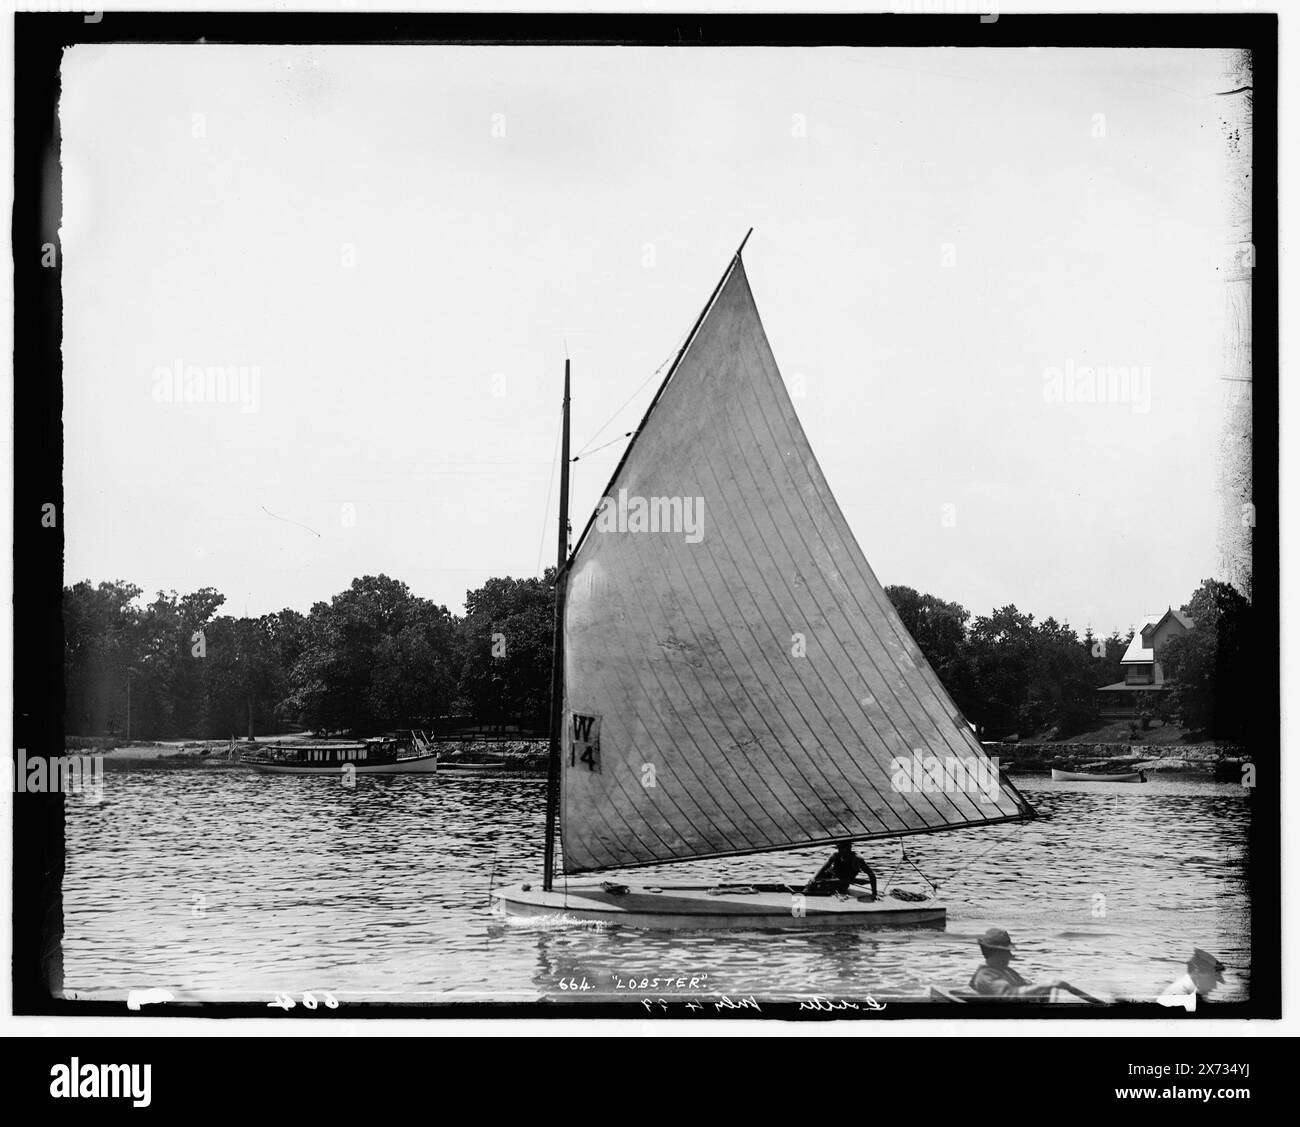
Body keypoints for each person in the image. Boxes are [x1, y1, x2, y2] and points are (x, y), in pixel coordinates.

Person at [969, 928, 1073, 998]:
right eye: (1006, 952)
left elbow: (1026, 986)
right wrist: (1043, 986)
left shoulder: (1007, 971)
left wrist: (1048, 986)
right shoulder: (985, 977)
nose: (1010, 956)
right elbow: (1010, 995)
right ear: (995, 953)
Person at [804, 841, 877, 900]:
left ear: (849, 848)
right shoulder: (835, 855)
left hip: (842, 883)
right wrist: (814, 877)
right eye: (839, 848)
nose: (841, 850)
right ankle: (805, 893)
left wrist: (874, 893)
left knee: (821, 886)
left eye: (844, 848)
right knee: (813, 882)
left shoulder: (857, 859)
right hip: (832, 878)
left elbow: (871, 874)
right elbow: (823, 868)